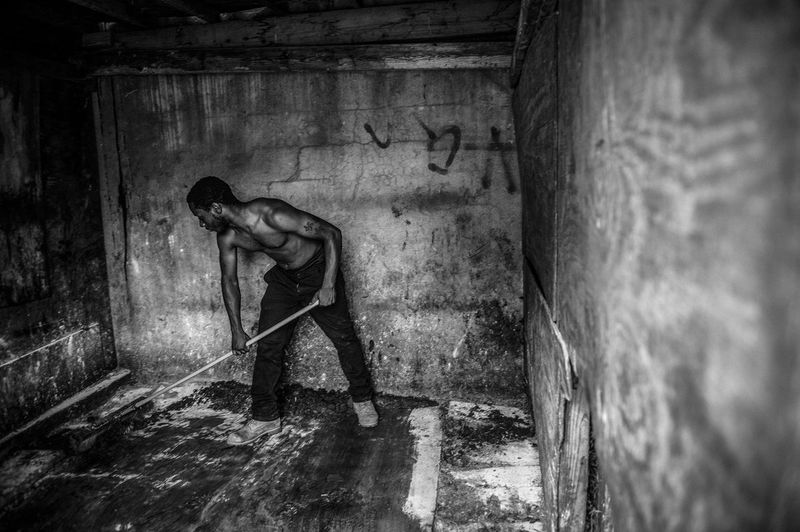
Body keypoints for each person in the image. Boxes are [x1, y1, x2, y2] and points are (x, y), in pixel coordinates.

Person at [186, 176, 378, 445]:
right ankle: (265, 418)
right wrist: (237, 330)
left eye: (201, 215)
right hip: (285, 281)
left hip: (318, 272)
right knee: (268, 346)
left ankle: (363, 399)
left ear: (216, 208)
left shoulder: (270, 213)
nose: (201, 223)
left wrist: (328, 284)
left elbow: (331, 233)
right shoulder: (227, 237)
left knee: (344, 338)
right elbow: (228, 280)